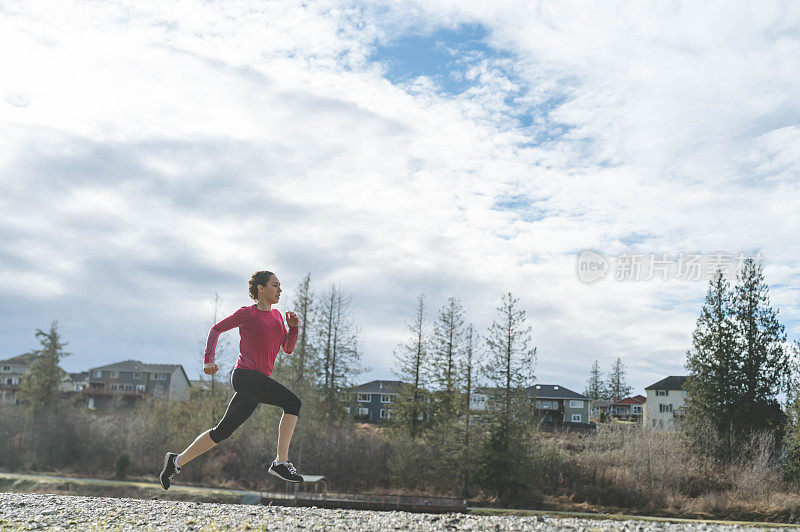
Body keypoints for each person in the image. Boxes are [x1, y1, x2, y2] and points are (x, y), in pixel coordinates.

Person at [159, 270, 303, 489]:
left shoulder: (276, 317)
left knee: (221, 432)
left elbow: (288, 348)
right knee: (293, 403)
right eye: (275, 285)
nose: (280, 290)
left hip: (258, 381)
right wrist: (209, 360)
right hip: (245, 377)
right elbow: (216, 329)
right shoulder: (247, 313)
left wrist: (293, 328)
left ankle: (175, 461)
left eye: (280, 286)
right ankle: (281, 462)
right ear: (260, 289)